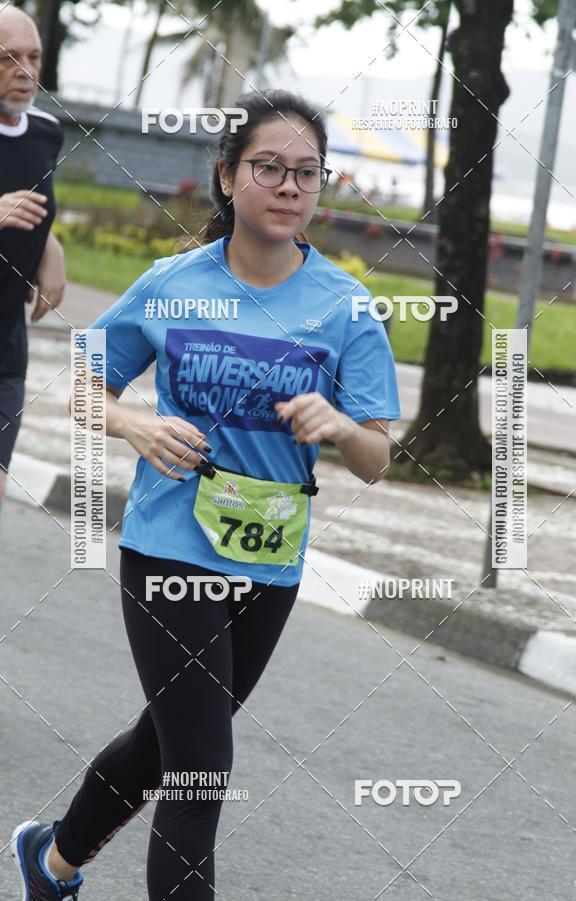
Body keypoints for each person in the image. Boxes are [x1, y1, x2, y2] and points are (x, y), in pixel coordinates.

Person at [11, 89, 401, 900]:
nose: (291, 186)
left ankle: (51, 859)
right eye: (270, 167)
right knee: (199, 775)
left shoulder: (345, 306)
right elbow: (84, 383)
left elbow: (376, 458)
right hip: (167, 549)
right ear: (227, 178)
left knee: (167, 741)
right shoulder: (169, 283)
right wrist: (133, 424)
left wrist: (337, 423)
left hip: (270, 562)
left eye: (308, 172)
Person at [0, 6, 65, 510]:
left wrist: (51, 245)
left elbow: (36, 203)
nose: (24, 72)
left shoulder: (46, 133)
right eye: (7, 59)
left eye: (33, 58)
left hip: (6, 346)